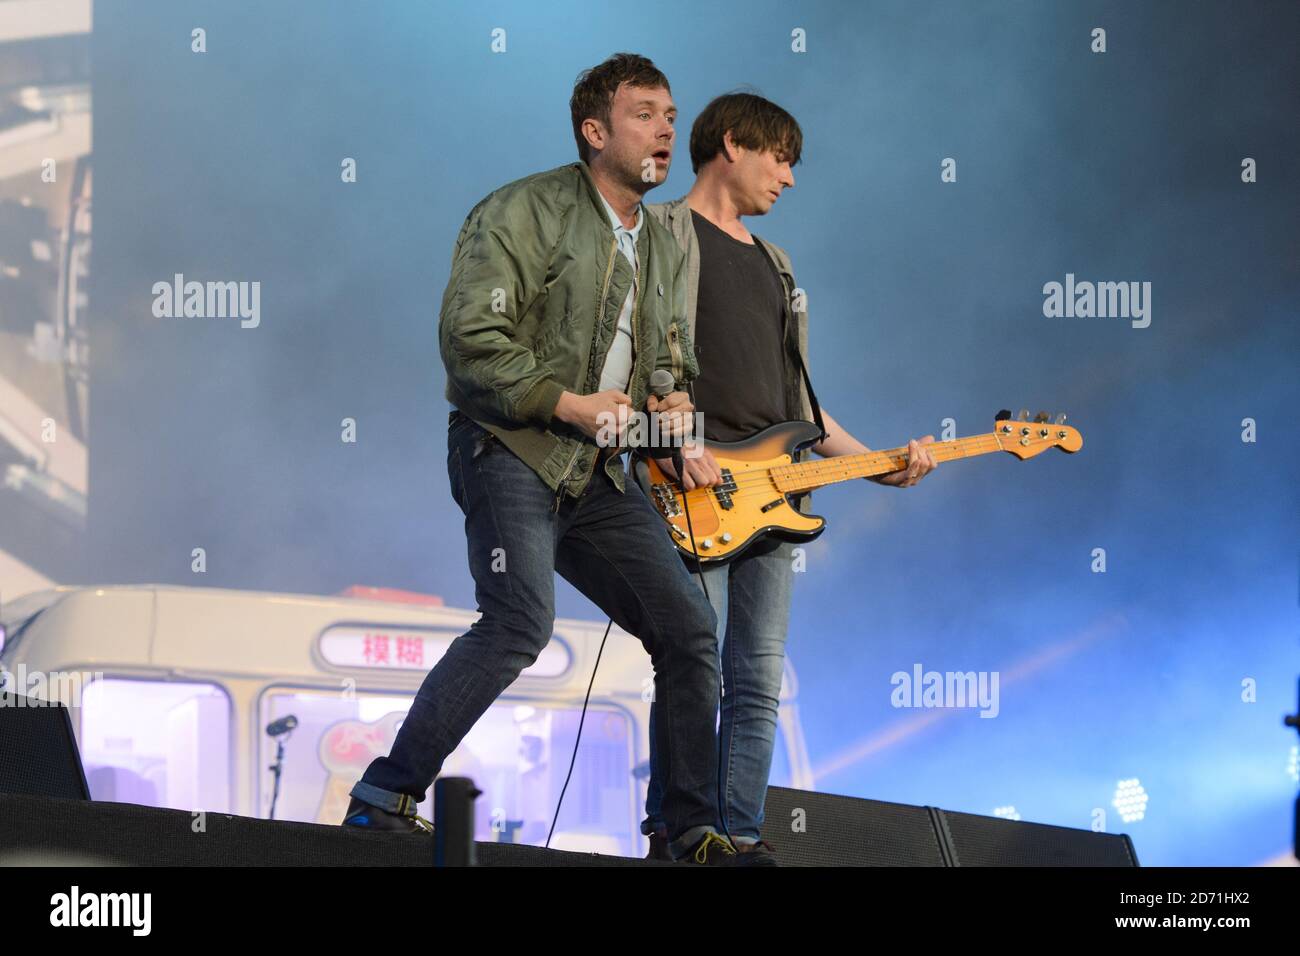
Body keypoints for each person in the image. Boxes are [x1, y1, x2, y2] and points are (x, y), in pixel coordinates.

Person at [342, 55, 772, 865]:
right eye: (645, 114)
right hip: (508, 448)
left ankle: (686, 833)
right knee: (518, 622)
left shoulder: (666, 244)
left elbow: (667, 364)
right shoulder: (521, 211)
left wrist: (673, 417)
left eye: (672, 116)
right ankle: (382, 795)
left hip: (599, 473)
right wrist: (569, 403)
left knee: (689, 629)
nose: (666, 130)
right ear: (595, 130)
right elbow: (471, 345)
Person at [641, 92, 937, 860]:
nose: (791, 179)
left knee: (759, 681)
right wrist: (663, 443)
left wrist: (878, 465)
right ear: (733, 144)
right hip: (690, 482)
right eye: (782, 158)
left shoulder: (777, 264)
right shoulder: (657, 233)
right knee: (692, 660)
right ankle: (681, 831)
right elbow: (628, 353)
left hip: (779, 493)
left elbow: (801, 402)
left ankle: (738, 837)